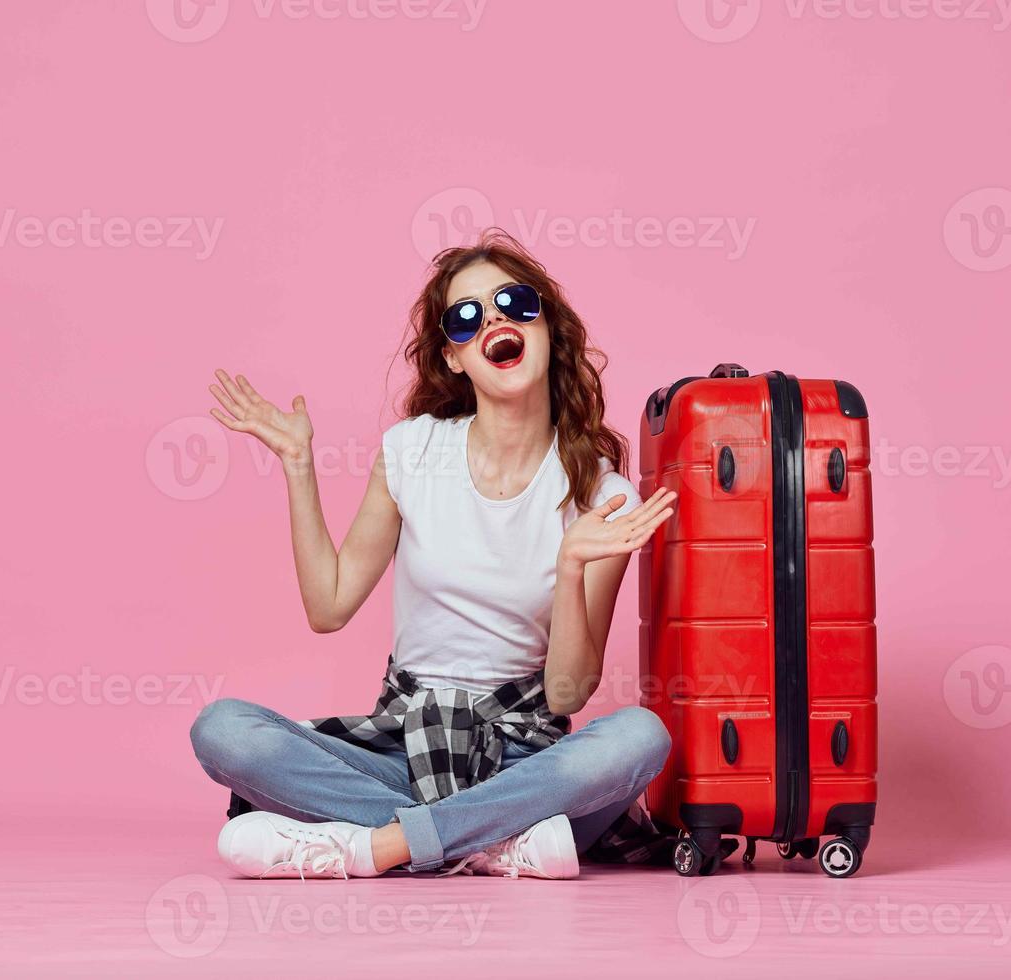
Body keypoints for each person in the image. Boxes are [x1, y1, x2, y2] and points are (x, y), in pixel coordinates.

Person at [189, 229, 677, 880]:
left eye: (514, 303)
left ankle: (380, 844)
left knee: (640, 740)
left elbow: (567, 690)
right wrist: (299, 466)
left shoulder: (603, 496)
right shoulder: (412, 452)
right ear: (453, 358)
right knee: (224, 730)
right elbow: (329, 607)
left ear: (548, 327)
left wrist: (571, 565)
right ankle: (492, 845)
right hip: (403, 745)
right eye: (467, 316)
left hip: (522, 757)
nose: (494, 320)